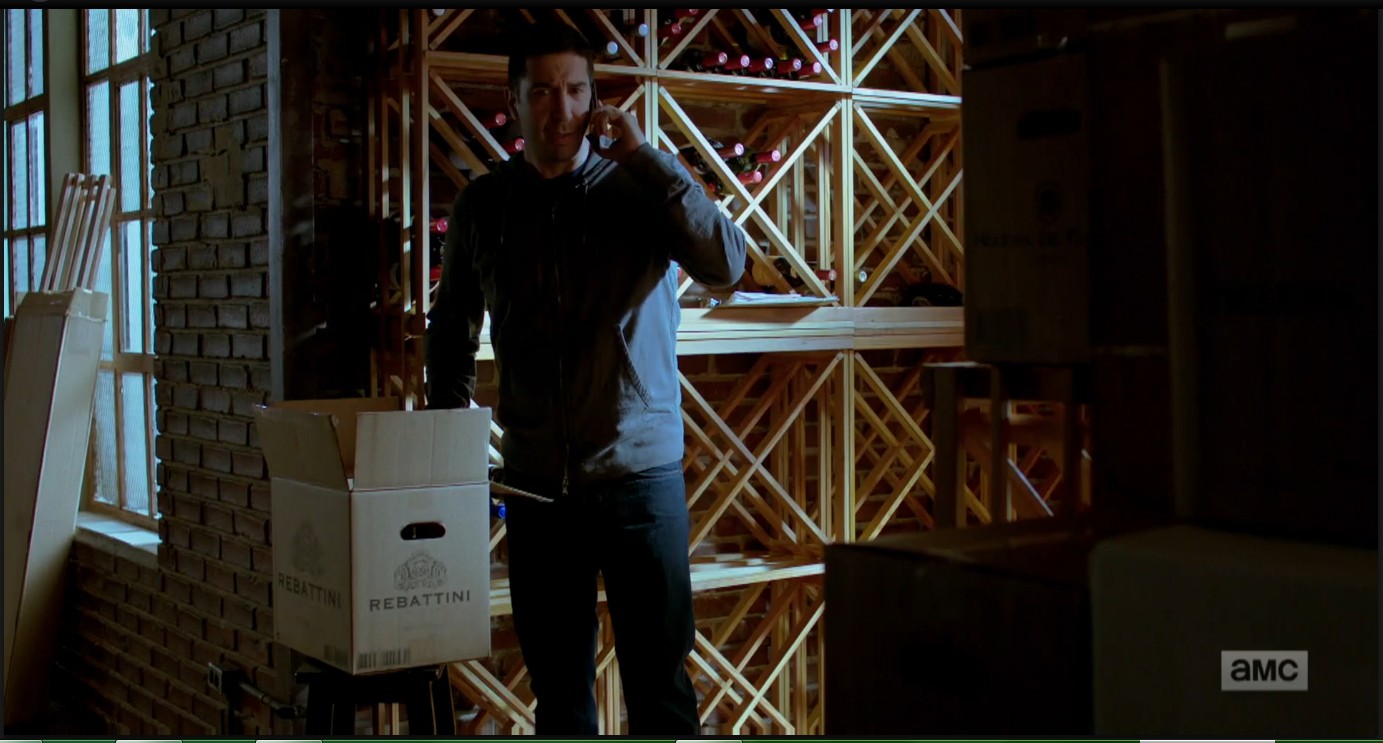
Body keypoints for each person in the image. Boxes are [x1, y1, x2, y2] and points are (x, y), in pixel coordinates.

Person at [424, 21, 748, 736]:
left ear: (595, 99)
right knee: (561, 701)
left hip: (641, 480)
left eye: (575, 91)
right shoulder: (484, 206)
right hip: (537, 489)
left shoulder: (638, 189)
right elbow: (449, 334)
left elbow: (728, 264)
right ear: (514, 100)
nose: (561, 110)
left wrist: (646, 158)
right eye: (542, 92)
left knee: (661, 694)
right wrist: (446, 448)